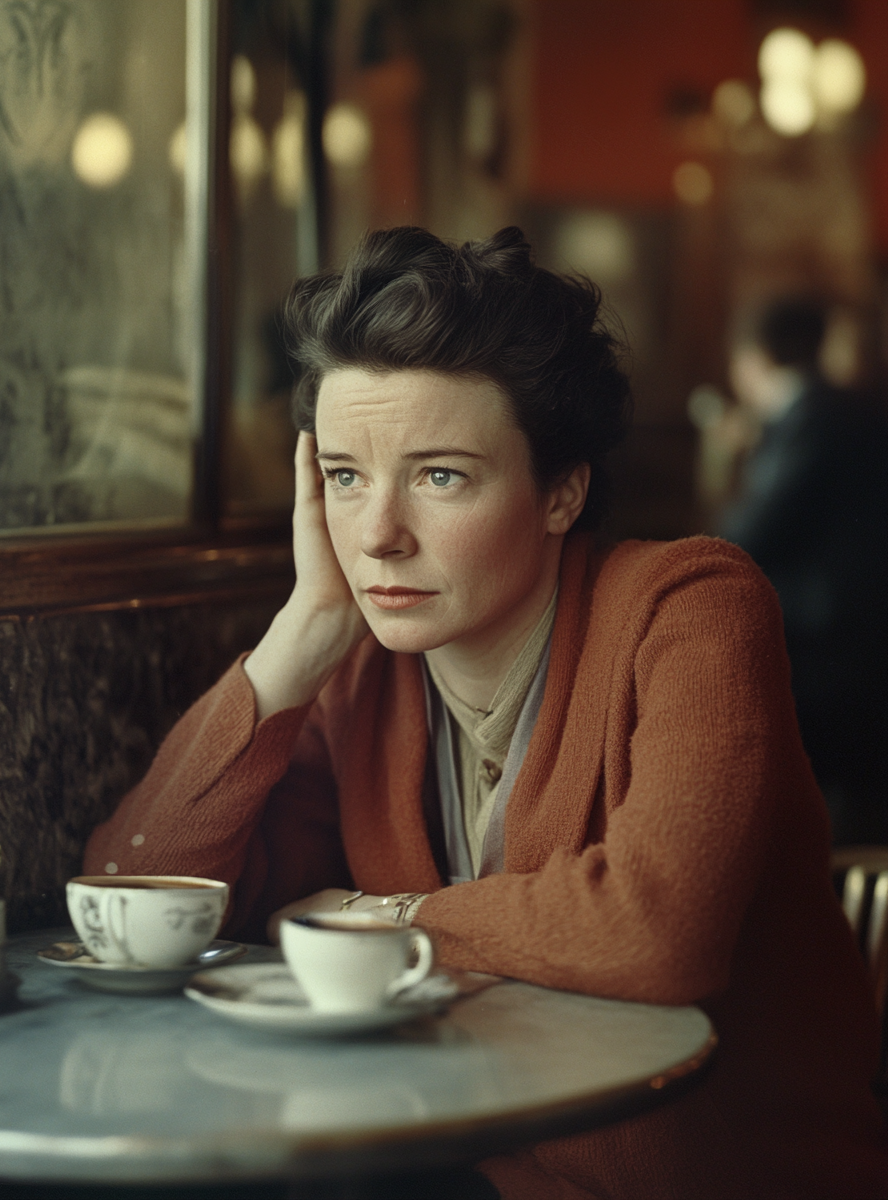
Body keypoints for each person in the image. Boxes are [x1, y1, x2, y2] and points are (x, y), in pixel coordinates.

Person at [85, 228, 887, 1200]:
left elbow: (653, 932)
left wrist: (390, 918)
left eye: (439, 476)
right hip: (467, 1164)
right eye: (345, 476)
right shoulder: (361, 672)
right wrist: (299, 637)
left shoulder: (693, 609)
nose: (378, 535)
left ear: (561, 492)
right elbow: (131, 894)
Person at [721, 298, 888, 845]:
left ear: (752, 358)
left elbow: (754, 533)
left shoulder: (812, 416)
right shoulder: (838, 408)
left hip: (827, 636)